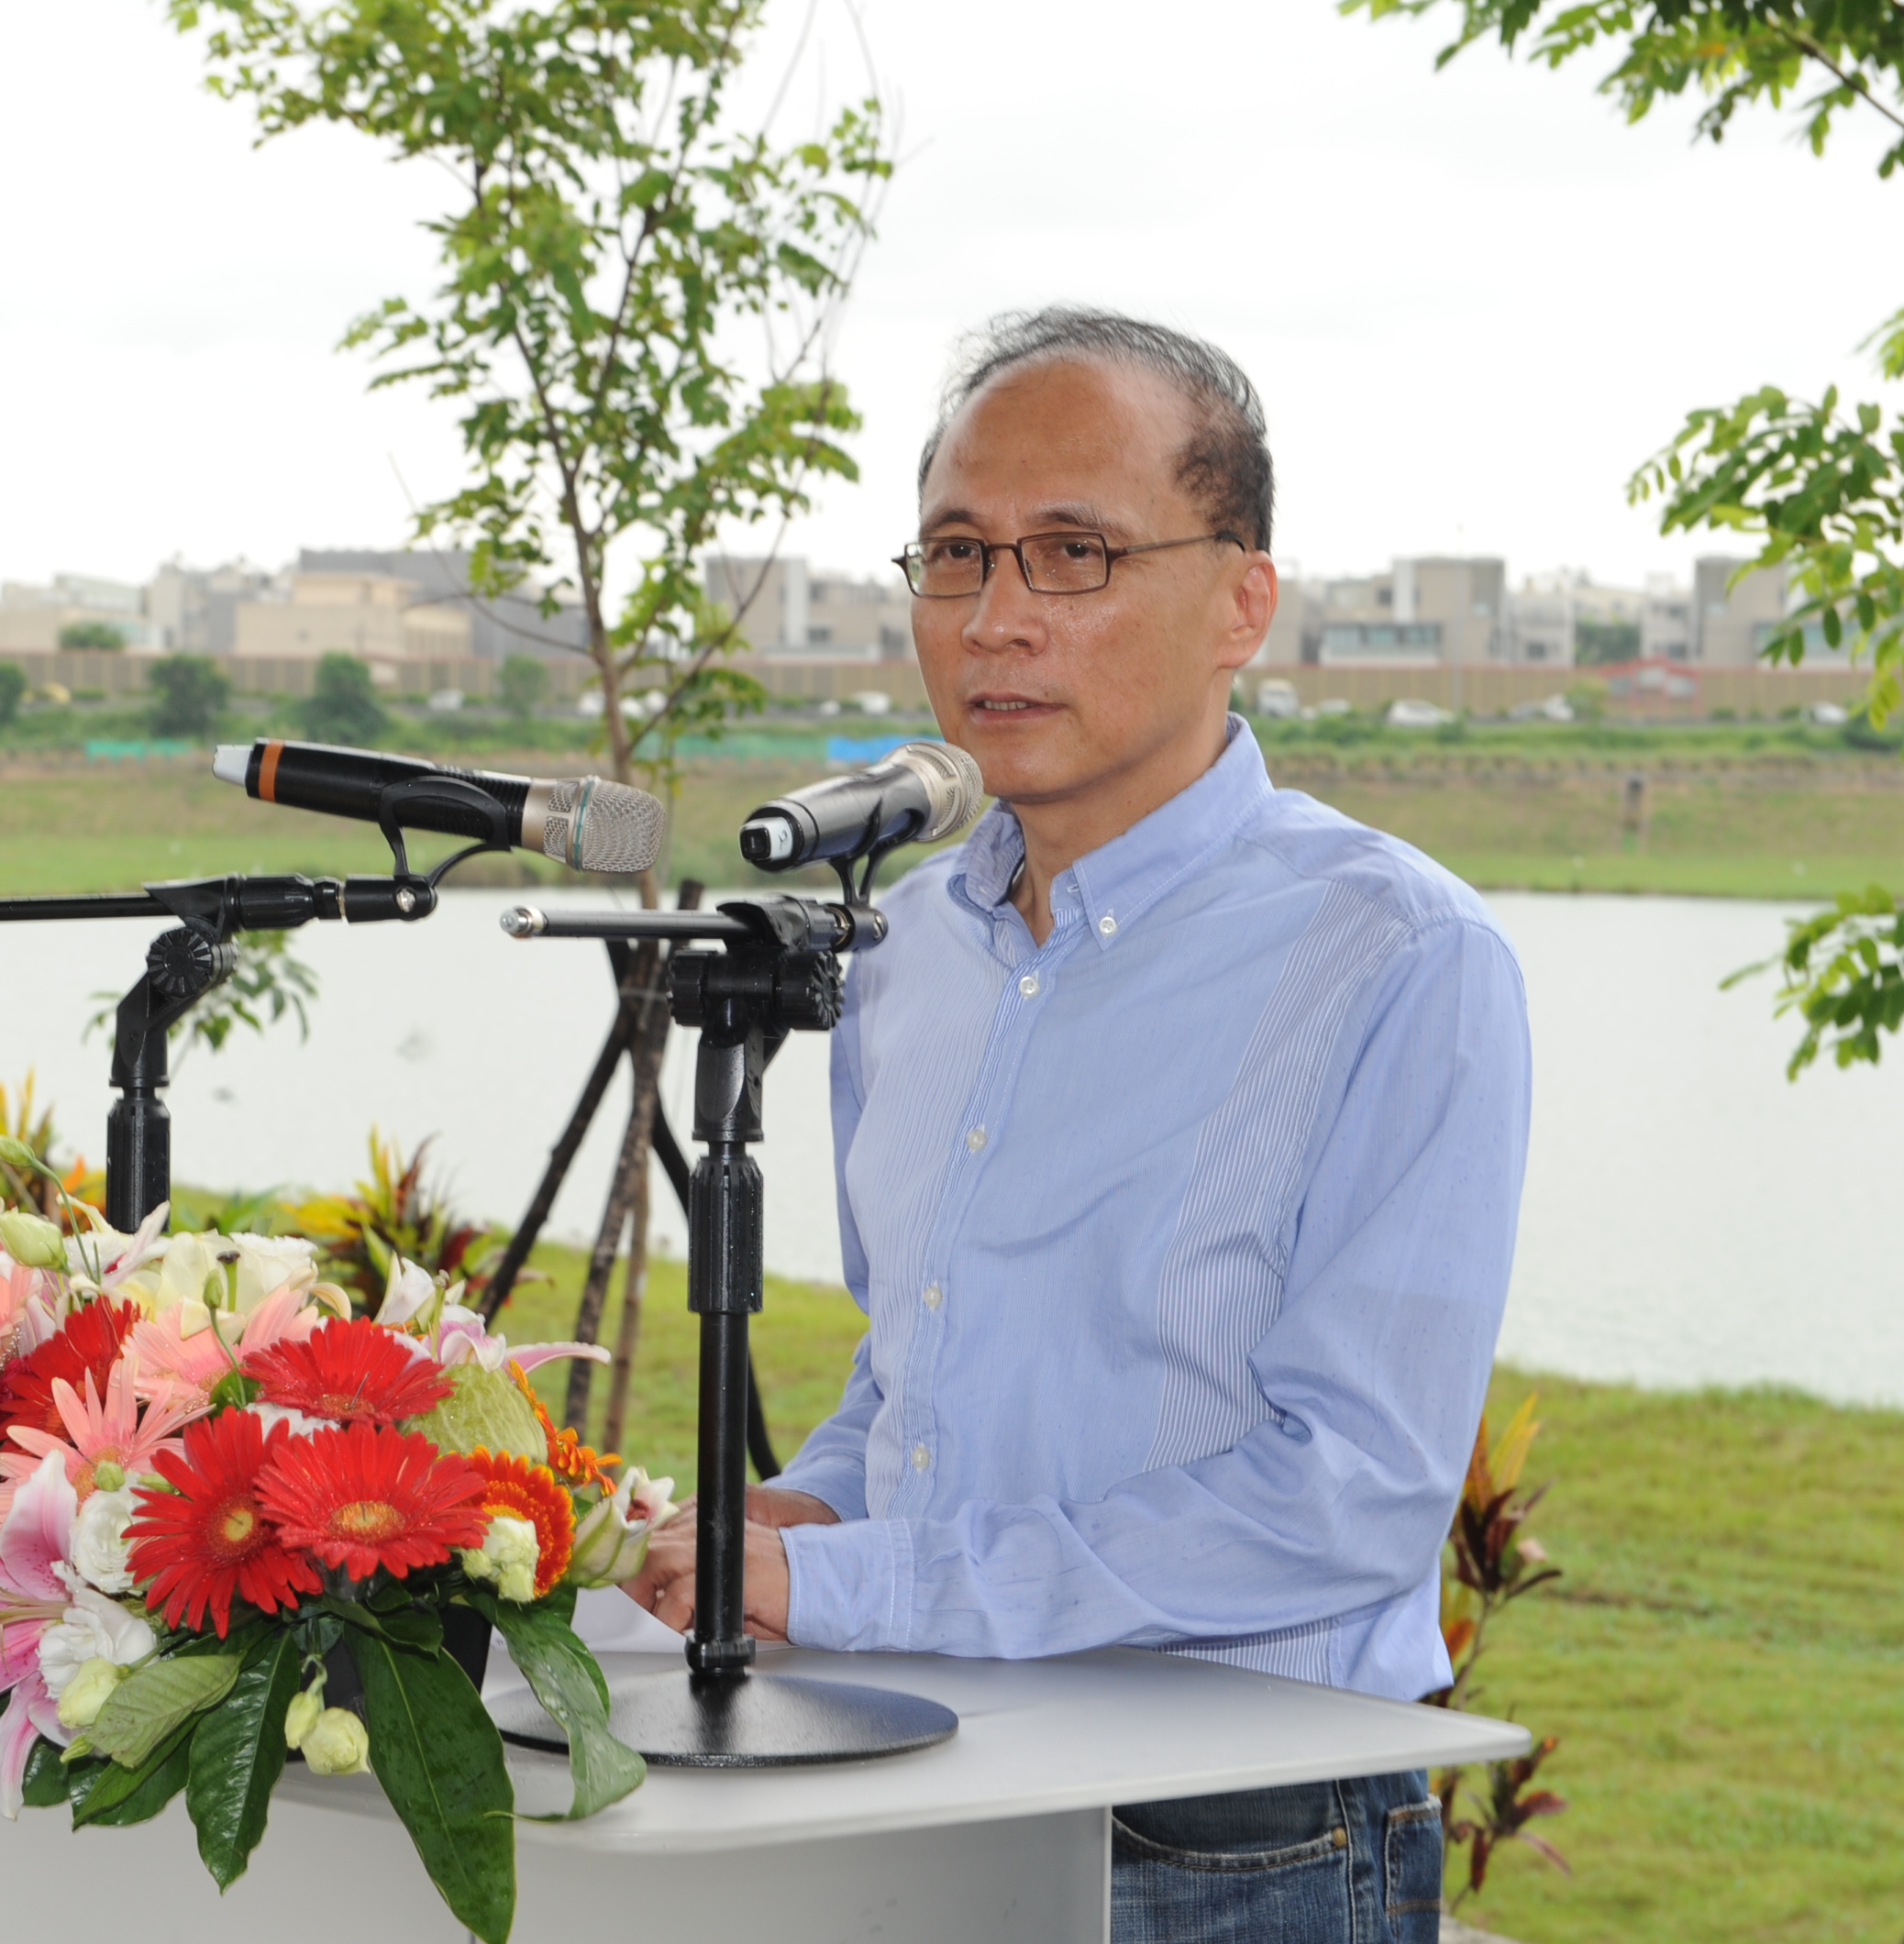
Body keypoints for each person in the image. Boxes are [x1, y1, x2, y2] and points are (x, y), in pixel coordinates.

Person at [624, 309, 1531, 1943]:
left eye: (1075, 555)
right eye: (957, 556)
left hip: (1233, 1846)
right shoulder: (898, 951)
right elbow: (921, 1375)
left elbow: (1351, 1497)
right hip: (909, 1778)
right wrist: (799, 1510)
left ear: (1244, 599)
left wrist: (849, 1587)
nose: (998, 618)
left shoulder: (1396, 954)